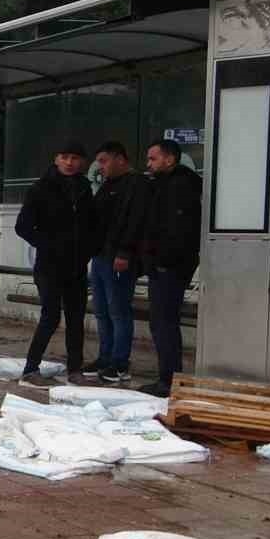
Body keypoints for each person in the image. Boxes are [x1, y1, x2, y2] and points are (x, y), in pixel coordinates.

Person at [15, 141, 98, 389]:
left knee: (76, 317)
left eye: (75, 158)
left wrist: (87, 249)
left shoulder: (85, 188)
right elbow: (23, 226)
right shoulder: (40, 188)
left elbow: (91, 224)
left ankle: (75, 369)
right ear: (56, 159)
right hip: (49, 265)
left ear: (82, 161)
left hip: (77, 264)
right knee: (50, 316)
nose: (70, 163)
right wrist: (48, 244)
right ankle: (31, 368)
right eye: (65, 157)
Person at [135, 138, 202, 398]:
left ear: (169, 159)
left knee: (164, 322)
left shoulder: (179, 187)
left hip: (170, 265)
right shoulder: (163, 185)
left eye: (153, 159)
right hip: (164, 264)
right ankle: (167, 376)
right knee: (161, 322)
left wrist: (161, 261)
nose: (148, 164)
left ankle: (169, 379)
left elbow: (176, 231)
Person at [85, 142, 148, 384]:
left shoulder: (136, 184)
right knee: (101, 310)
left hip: (119, 258)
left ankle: (120, 362)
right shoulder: (106, 186)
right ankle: (105, 357)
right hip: (100, 257)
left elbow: (134, 221)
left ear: (120, 159)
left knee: (118, 311)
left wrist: (125, 252)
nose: (100, 167)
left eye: (103, 161)